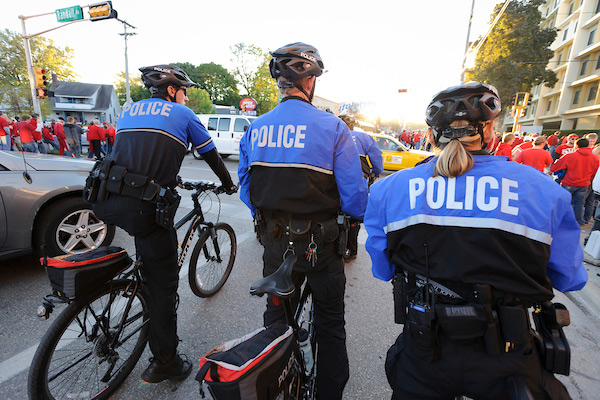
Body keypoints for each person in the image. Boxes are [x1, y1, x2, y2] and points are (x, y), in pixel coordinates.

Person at [364, 81, 587, 400]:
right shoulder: (546, 192)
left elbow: (383, 269)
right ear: (491, 131)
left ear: (430, 135)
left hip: (424, 351)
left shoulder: (388, 190)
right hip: (509, 357)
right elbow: (570, 278)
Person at [91, 64, 236, 384]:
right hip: (144, 210)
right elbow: (211, 156)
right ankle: (165, 362)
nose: (185, 97)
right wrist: (227, 184)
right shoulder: (183, 115)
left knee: (149, 259)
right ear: (172, 91)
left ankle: (138, 286)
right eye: (184, 91)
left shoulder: (128, 110)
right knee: (164, 288)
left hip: (106, 199)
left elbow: (134, 154)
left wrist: (170, 176)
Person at [238, 42, 367, 400]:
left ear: (279, 82)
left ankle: (272, 379)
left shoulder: (256, 127)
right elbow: (356, 199)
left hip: (274, 241)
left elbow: (245, 189)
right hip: (320, 246)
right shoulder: (334, 128)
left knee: (276, 315)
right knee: (330, 321)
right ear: (310, 82)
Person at [339, 113, 383, 262]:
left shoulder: (332, 134)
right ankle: (352, 250)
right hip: (358, 180)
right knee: (356, 216)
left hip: (335, 179)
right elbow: (376, 157)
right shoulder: (364, 137)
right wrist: (376, 171)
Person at [550, 137, 600, 225]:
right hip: (584, 183)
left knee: (564, 202)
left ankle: (559, 219)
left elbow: (554, 167)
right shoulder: (595, 158)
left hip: (568, 182)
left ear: (576, 145)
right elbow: (595, 173)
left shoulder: (570, 156)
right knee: (579, 203)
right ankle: (577, 221)